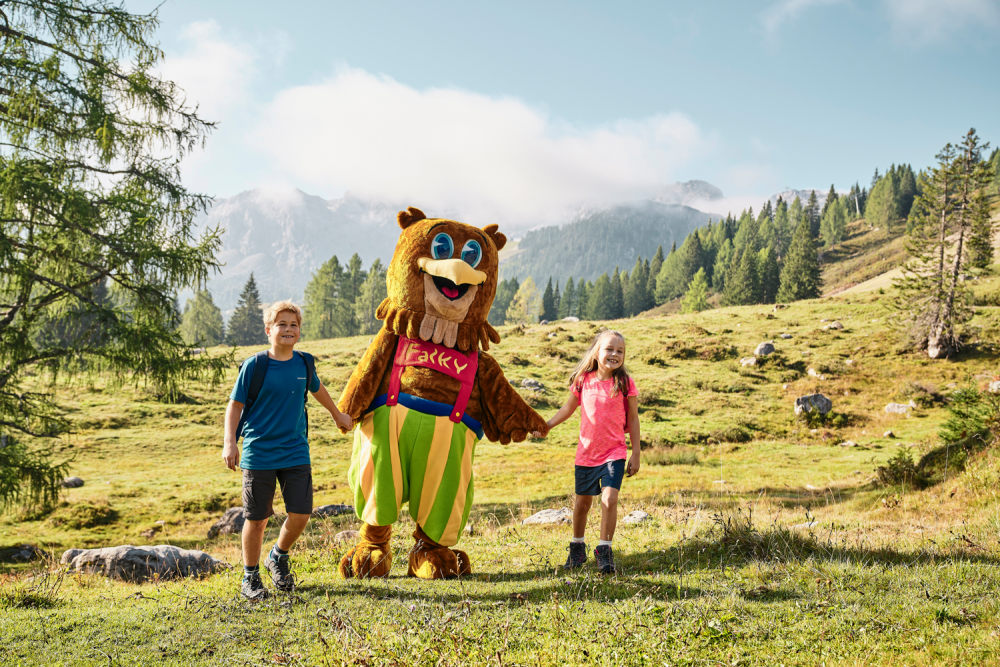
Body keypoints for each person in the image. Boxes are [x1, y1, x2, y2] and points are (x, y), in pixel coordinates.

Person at [222, 300, 353, 600]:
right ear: (269, 330)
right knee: (257, 519)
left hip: (295, 451)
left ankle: (278, 556)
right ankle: (250, 577)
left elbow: (317, 388)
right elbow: (235, 405)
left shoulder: (304, 363)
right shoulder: (255, 366)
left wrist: (336, 414)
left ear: (299, 331)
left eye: (293, 324)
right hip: (259, 453)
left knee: (301, 513)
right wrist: (230, 442)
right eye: (281, 324)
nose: (288, 329)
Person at [534, 329, 640, 574]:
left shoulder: (624, 383)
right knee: (582, 503)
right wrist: (547, 425)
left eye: (620, 351)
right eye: (609, 349)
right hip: (587, 454)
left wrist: (636, 452)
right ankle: (577, 548)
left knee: (609, 499)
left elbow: (634, 418)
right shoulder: (583, 380)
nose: (615, 354)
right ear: (596, 352)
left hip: (614, 452)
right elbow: (568, 408)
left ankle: (605, 551)